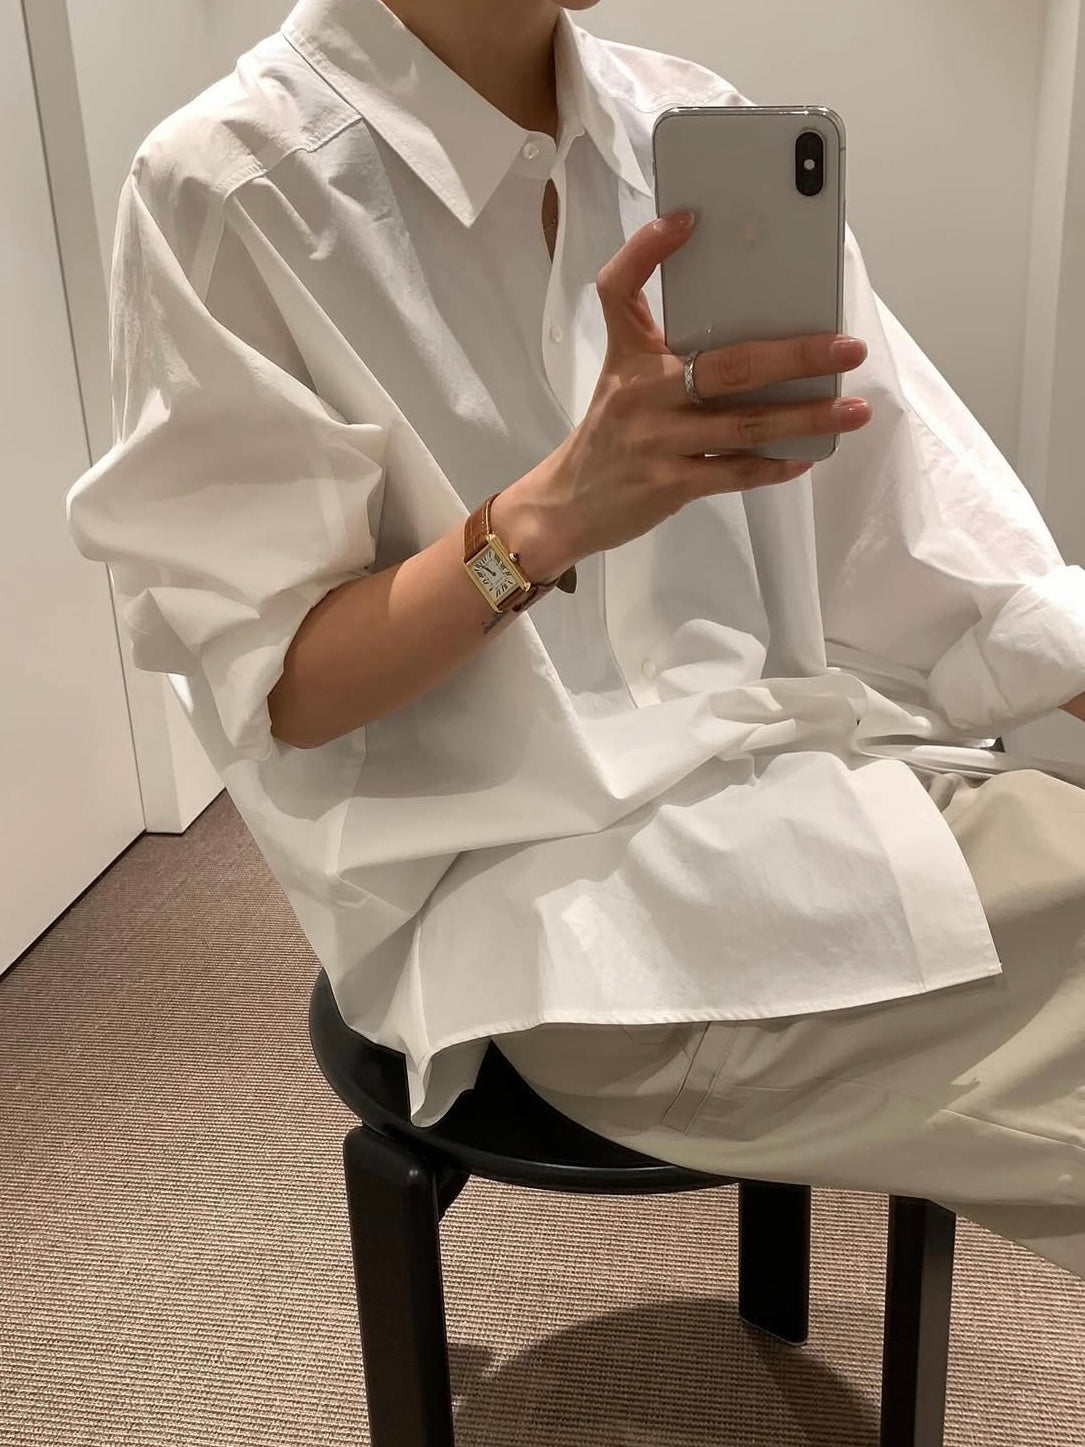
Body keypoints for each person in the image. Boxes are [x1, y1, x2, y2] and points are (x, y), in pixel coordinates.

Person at [66, 0, 1085, 1282]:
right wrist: (540, 521)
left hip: (799, 785)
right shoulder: (230, 189)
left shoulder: (683, 127)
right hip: (540, 903)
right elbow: (287, 688)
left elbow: (922, 515)